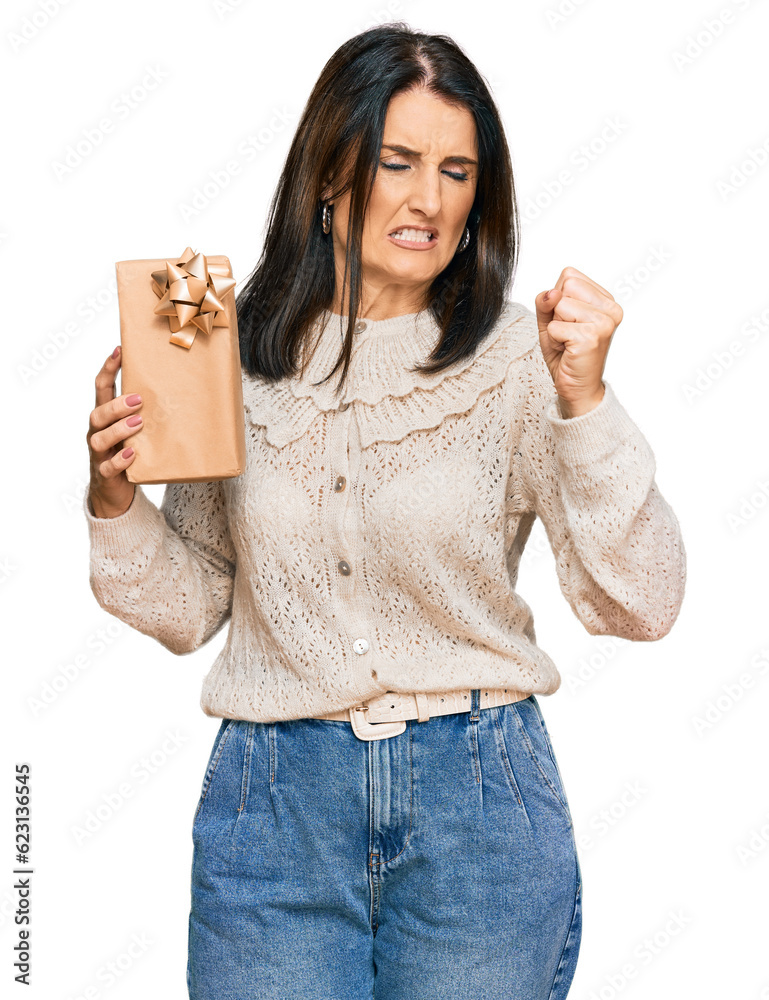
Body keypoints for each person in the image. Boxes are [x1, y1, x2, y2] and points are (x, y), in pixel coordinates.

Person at [83, 22, 686, 1000]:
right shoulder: (219, 346)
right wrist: (114, 497)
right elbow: (193, 604)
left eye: (457, 169)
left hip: (477, 806)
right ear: (329, 175)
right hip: (272, 814)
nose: (429, 197)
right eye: (397, 161)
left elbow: (643, 603)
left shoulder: (519, 359)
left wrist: (587, 402)